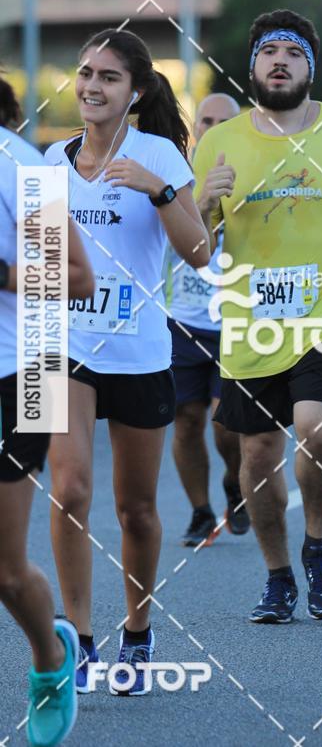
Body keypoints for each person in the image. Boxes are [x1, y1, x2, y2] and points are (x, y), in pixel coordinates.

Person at [194, 9, 322, 623]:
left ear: (310, 68)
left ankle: (317, 544)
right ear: (252, 66)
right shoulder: (219, 141)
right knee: (256, 456)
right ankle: (278, 576)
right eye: (268, 52)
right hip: (250, 323)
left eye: (292, 52)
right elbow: (195, 240)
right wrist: (205, 200)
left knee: (317, 428)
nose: (279, 60)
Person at [44, 30, 211, 695]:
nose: (92, 86)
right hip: (58, 351)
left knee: (135, 509)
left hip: (140, 351)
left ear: (135, 91)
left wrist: (160, 190)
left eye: (109, 77)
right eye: (85, 73)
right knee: (70, 488)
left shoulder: (159, 154)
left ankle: (137, 635)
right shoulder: (48, 163)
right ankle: (78, 639)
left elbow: (199, 253)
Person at [0, 76, 94, 744]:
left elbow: (76, 279)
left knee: (4, 567)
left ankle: (50, 657)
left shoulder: (23, 168)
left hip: (26, 367)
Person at [165, 93, 250, 546]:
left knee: (226, 424)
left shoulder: (253, 171)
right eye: (206, 120)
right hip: (181, 319)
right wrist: (202, 200)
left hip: (233, 320)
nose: (214, 127)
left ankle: (235, 484)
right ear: (195, 125)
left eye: (224, 121)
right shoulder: (173, 175)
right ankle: (200, 511)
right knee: (186, 420)